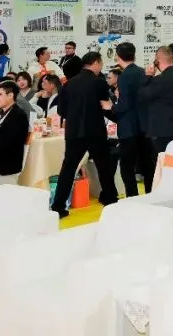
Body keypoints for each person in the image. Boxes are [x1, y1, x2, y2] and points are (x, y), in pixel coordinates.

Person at [53, 52, 118, 215]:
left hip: (73, 132)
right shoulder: (99, 83)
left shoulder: (68, 84)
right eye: (101, 63)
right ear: (95, 62)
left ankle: (58, 206)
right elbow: (105, 107)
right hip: (95, 130)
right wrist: (118, 117)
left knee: (68, 169)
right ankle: (110, 199)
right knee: (104, 166)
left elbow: (61, 111)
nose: (101, 66)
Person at [109, 42, 151, 197]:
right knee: (147, 166)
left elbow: (126, 104)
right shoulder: (142, 72)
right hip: (145, 126)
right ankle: (150, 196)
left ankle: (132, 198)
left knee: (127, 167)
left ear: (117, 56)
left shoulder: (124, 76)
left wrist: (111, 106)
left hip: (128, 127)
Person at [139, 46, 173, 155]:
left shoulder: (158, 80)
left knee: (164, 161)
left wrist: (148, 76)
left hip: (163, 129)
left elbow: (142, 96)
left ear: (157, 61)